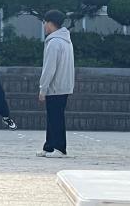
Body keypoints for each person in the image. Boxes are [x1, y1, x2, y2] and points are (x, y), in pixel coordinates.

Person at [38, 10, 75, 158]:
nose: (44, 26)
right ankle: (49, 146)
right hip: (64, 84)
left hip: (55, 86)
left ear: (50, 23)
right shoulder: (65, 40)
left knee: (55, 118)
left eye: (44, 22)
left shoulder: (54, 42)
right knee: (53, 117)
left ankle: (60, 148)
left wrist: (43, 88)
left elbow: (49, 68)